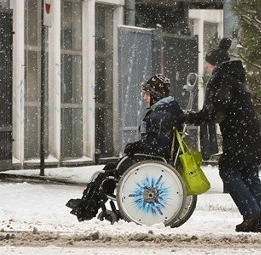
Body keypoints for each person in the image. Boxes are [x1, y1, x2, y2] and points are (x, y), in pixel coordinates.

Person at [184, 38, 261, 233]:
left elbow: (215, 110)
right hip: (250, 132)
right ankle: (259, 221)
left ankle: (252, 213)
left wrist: (189, 117)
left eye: (208, 65)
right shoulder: (234, 77)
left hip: (239, 134)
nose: (207, 69)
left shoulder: (222, 79)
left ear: (214, 64)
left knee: (228, 170)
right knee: (250, 175)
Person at [66, 74, 184, 222]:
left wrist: (134, 147)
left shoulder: (160, 115)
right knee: (109, 169)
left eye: (147, 94)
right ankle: (92, 203)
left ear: (156, 95)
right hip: (150, 158)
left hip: (151, 159)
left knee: (106, 173)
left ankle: (87, 208)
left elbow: (157, 146)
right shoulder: (165, 112)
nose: (144, 98)